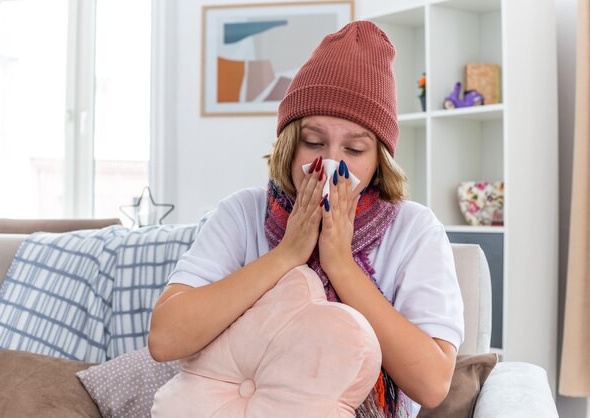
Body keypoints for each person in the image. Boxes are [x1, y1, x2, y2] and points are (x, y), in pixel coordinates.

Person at [148, 20, 464, 417]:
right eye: (313, 142)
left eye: (354, 148)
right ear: (288, 144)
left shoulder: (414, 230)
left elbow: (433, 384)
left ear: (379, 161)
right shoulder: (243, 213)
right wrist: (286, 254)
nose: (331, 162)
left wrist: (341, 266)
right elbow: (165, 338)